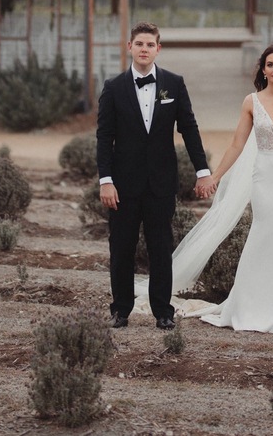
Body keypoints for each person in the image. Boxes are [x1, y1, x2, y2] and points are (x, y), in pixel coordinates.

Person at [171, 43, 273, 334]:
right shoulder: (251, 102)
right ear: (263, 69)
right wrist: (215, 176)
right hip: (266, 177)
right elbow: (236, 145)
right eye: (271, 64)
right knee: (262, 236)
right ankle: (251, 306)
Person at [96, 21, 214, 330]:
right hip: (122, 184)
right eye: (139, 44)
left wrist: (203, 170)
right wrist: (105, 180)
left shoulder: (173, 84)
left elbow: (188, 127)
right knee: (121, 248)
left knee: (161, 247)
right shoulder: (114, 87)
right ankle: (120, 310)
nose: (144, 49)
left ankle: (163, 311)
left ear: (158, 49)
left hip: (161, 183)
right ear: (130, 47)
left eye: (150, 45)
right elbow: (103, 136)